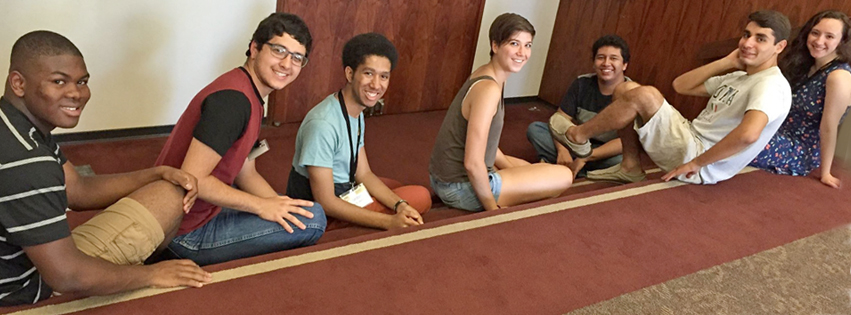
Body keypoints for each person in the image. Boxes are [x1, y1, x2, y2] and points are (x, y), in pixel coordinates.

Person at [0, 31, 211, 306]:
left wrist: (155, 173)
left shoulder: (14, 126)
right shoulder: (27, 161)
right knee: (170, 197)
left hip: (28, 259)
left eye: (82, 82)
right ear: (18, 83)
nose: (76, 93)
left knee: (165, 186)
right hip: (24, 290)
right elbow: (66, 275)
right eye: (59, 81)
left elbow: (78, 189)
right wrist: (150, 275)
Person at [156, 13, 325, 266]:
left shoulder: (246, 88)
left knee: (294, 209)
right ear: (254, 48)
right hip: (182, 234)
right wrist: (260, 207)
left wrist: (277, 206)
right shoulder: (234, 103)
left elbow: (244, 171)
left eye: (297, 57)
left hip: (192, 212)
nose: (287, 64)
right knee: (314, 218)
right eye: (279, 50)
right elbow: (193, 179)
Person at [556, 10, 792, 185]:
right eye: (746, 35)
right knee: (624, 91)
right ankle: (630, 166)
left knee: (645, 95)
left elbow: (749, 135)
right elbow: (681, 85)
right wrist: (727, 61)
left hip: (699, 158)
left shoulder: (771, 85)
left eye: (760, 39)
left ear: (779, 47)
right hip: (689, 137)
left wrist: (696, 163)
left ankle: (577, 135)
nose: (748, 43)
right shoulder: (738, 77)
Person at [429, 13, 574, 212]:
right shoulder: (488, 90)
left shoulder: (487, 73)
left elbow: (485, 143)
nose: (522, 53)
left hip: (444, 178)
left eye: (528, 45)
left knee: (528, 167)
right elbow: (472, 163)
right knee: (563, 176)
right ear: (495, 46)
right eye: (514, 44)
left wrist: (517, 171)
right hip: (459, 187)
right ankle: (501, 192)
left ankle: (518, 181)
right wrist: (492, 210)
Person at [287, 33, 432, 230]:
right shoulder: (322, 124)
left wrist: (400, 205)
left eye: (384, 76)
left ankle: (360, 215)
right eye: (368, 73)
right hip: (320, 207)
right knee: (421, 196)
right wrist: (390, 221)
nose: (376, 85)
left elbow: (363, 173)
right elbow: (326, 201)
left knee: (396, 189)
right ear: (349, 74)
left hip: (346, 187)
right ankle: (340, 226)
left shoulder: (354, 110)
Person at [750, 10, 851, 188]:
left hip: (801, 151)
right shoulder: (805, 64)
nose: (819, 41)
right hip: (776, 132)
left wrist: (825, 172)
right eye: (815, 33)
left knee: (739, 139)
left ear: (842, 41)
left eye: (829, 36)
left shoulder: (839, 77)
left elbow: (829, 127)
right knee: (735, 129)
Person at [526, 34, 630, 177]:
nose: (606, 63)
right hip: (577, 143)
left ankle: (566, 165)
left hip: (605, 150)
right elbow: (559, 119)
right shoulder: (581, 83)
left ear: (624, 65)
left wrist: (587, 156)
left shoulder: (632, 93)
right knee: (536, 129)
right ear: (594, 63)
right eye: (600, 57)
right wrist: (563, 150)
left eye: (613, 58)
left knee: (621, 159)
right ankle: (582, 169)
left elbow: (624, 142)